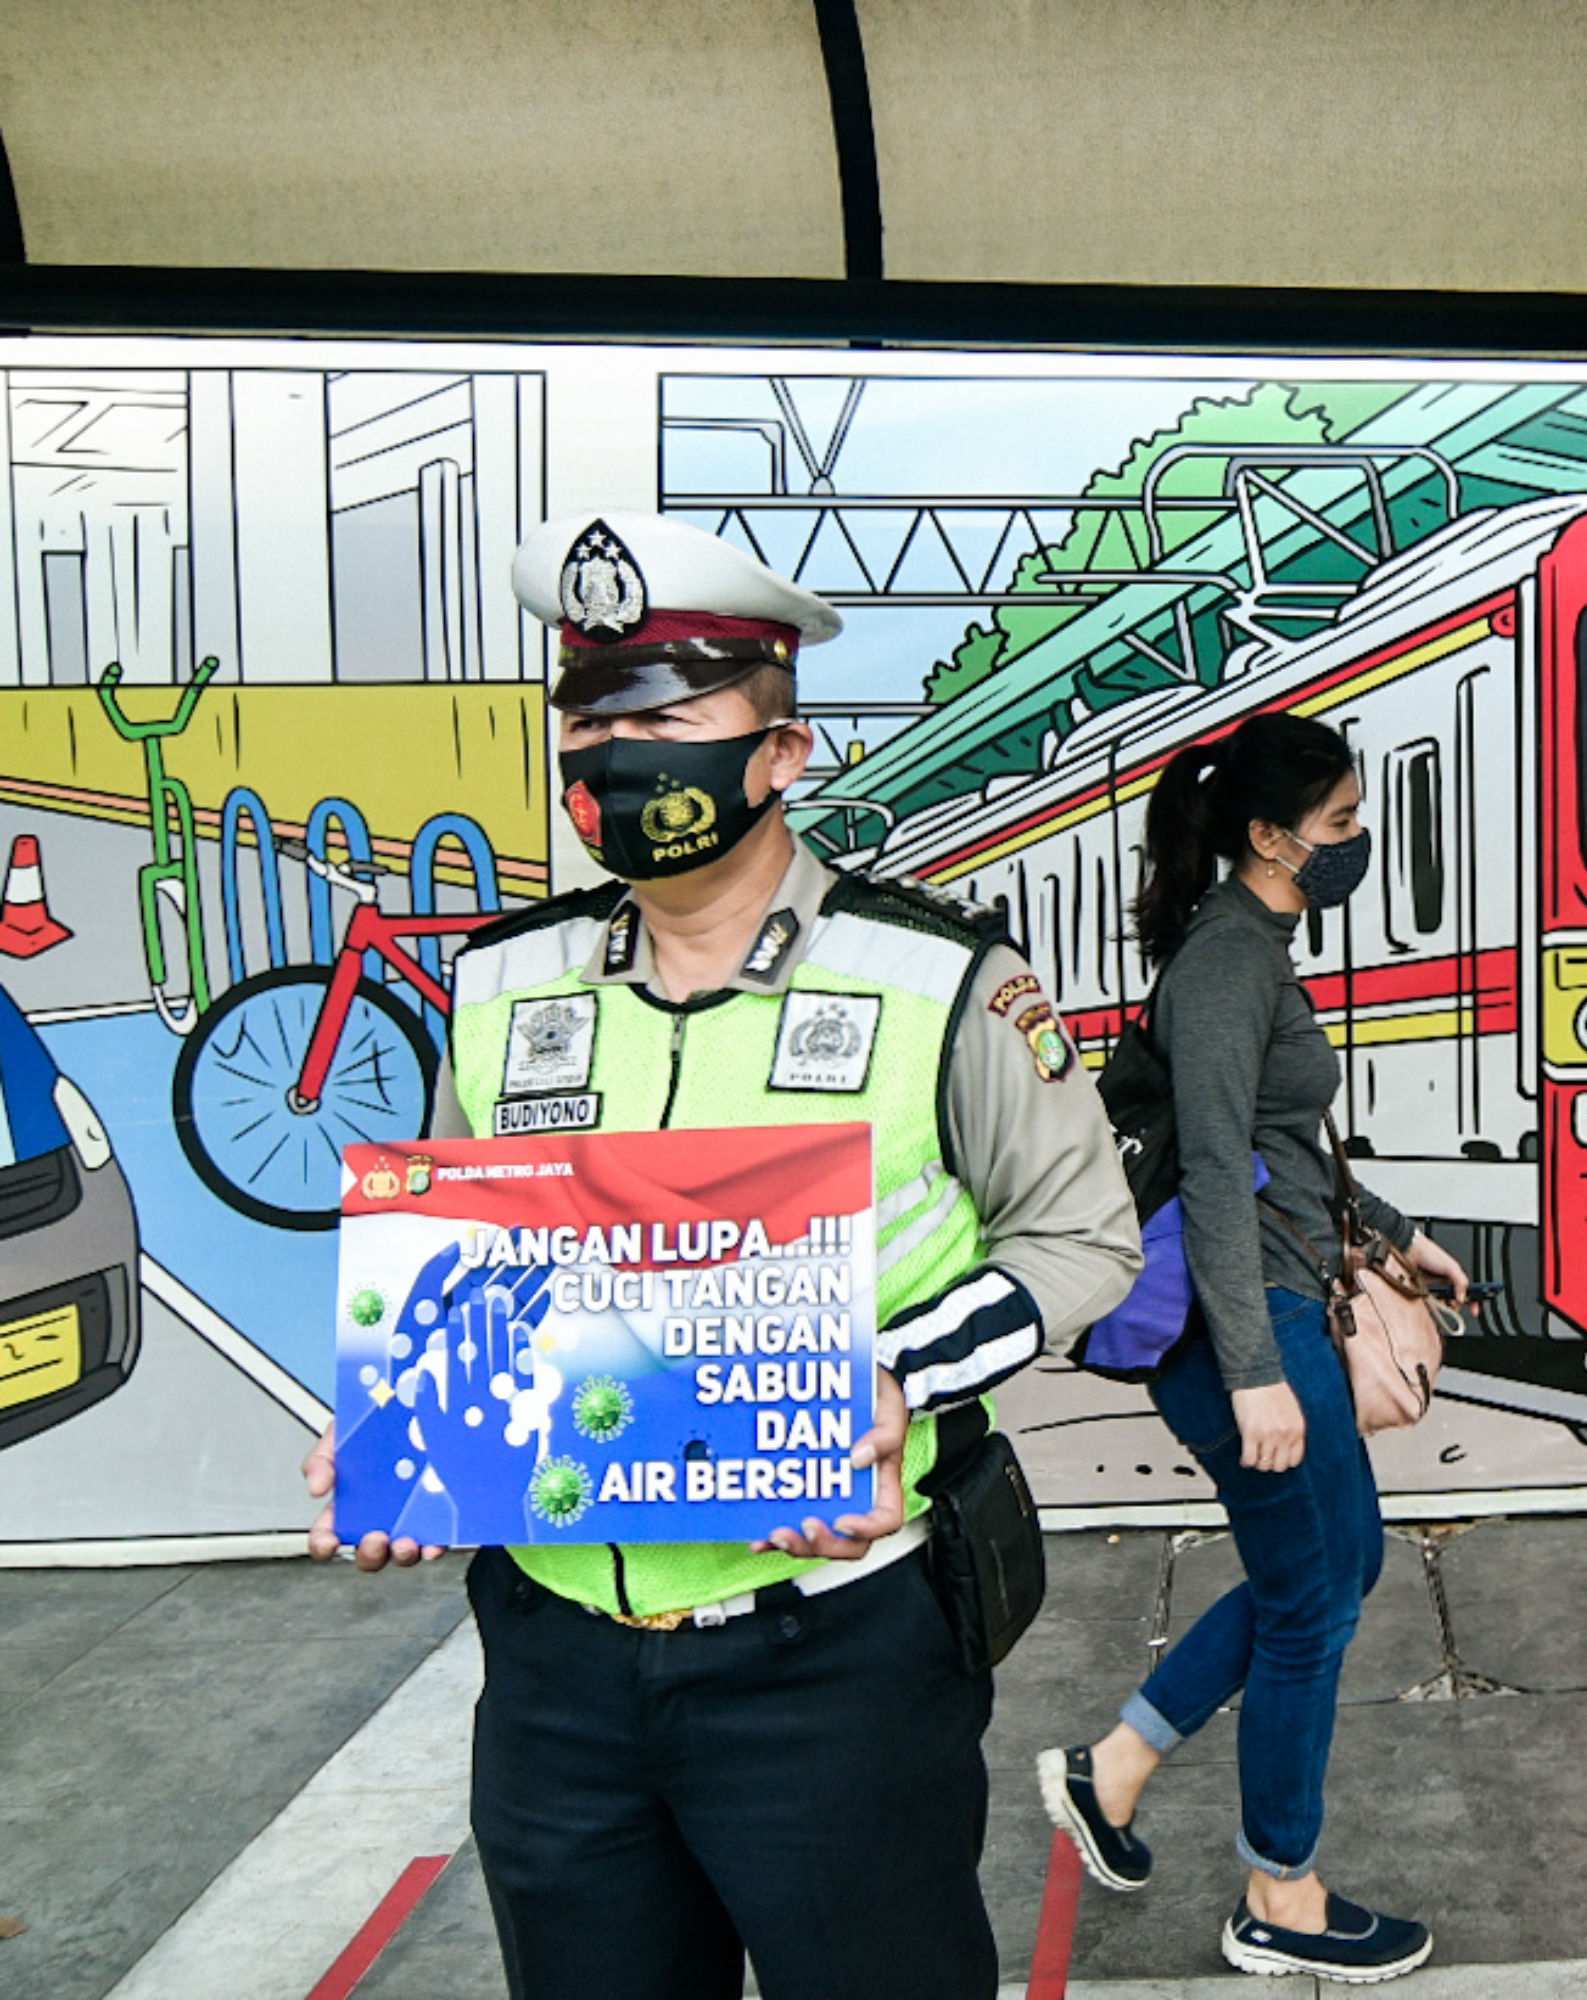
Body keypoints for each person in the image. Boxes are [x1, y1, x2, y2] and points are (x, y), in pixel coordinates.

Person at [300, 512, 1141, 2000]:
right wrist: (403, 1426)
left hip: (834, 1652)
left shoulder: (942, 977)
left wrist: (891, 1378)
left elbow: (1079, 1239)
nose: (624, 756)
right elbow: (462, 1261)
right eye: (592, 723)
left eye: (673, 718)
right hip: (558, 1664)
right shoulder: (501, 984)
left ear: (782, 752)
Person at [1035, 710, 1472, 1984]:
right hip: (1245, 1323)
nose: (1357, 843)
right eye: (1340, 824)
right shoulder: (1228, 962)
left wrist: (1394, 1233)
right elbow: (1218, 1177)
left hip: (1278, 1291)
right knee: (1313, 1597)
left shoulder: (1256, 945)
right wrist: (1253, 1372)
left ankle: (1112, 1769)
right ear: (1273, 836)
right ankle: (1281, 1892)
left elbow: (1282, 1150)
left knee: (1334, 1566)